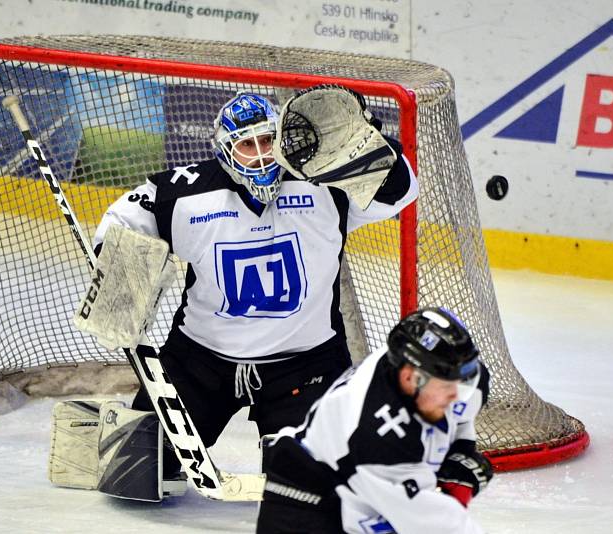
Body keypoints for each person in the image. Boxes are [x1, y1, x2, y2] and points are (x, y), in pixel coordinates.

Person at [91, 90, 418, 494]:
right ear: (226, 150)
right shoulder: (188, 194)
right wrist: (123, 276)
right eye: (247, 145)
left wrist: (374, 143)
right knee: (135, 470)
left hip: (306, 367)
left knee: (310, 486)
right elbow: (125, 216)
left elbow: (400, 191)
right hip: (201, 365)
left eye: (267, 140)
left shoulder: (323, 184)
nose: (261, 155)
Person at [256, 307, 493, 534]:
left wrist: (460, 450)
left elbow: (461, 413)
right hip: (302, 509)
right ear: (410, 377)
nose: (456, 397)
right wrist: (455, 489)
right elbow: (441, 525)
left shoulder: (449, 377)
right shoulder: (378, 438)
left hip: (358, 497)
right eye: (447, 388)